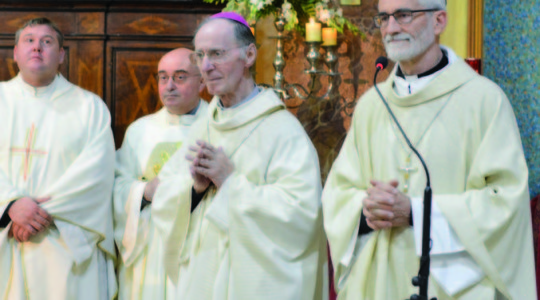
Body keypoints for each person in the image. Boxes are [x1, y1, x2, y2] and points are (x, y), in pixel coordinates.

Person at [322, 0, 537, 299]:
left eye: (404, 15)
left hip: (454, 287)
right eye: (383, 18)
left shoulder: (484, 101)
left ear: (439, 21)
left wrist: (416, 213)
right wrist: (365, 208)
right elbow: (337, 194)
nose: (391, 28)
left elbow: (505, 203)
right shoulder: (372, 106)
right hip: (380, 282)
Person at [151, 12, 328, 300]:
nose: (206, 66)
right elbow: (166, 197)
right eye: (200, 55)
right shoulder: (204, 125)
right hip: (200, 279)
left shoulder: (283, 131)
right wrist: (194, 189)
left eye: (217, 54)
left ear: (249, 55)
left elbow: (301, 217)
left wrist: (229, 182)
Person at [0, 18, 117, 299]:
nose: (37, 47)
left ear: (62, 55)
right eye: (29, 40)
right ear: (15, 52)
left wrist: (35, 216)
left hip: (63, 243)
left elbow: (96, 176)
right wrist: (11, 205)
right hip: (5, 235)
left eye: (47, 41)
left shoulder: (89, 107)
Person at [113, 48, 208, 300]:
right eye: (163, 77)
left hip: (197, 246)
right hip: (148, 248)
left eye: (180, 77)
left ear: (202, 81)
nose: (169, 86)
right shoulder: (140, 130)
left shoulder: (216, 127)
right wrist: (143, 191)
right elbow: (116, 185)